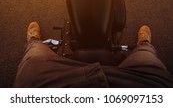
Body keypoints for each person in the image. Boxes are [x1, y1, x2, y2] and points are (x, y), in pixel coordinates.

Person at [14, 22, 173, 87]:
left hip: (55, 89)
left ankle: (34, 41)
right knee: (148, 57)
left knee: (34, 58)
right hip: (136, 87)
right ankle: (144, 44)